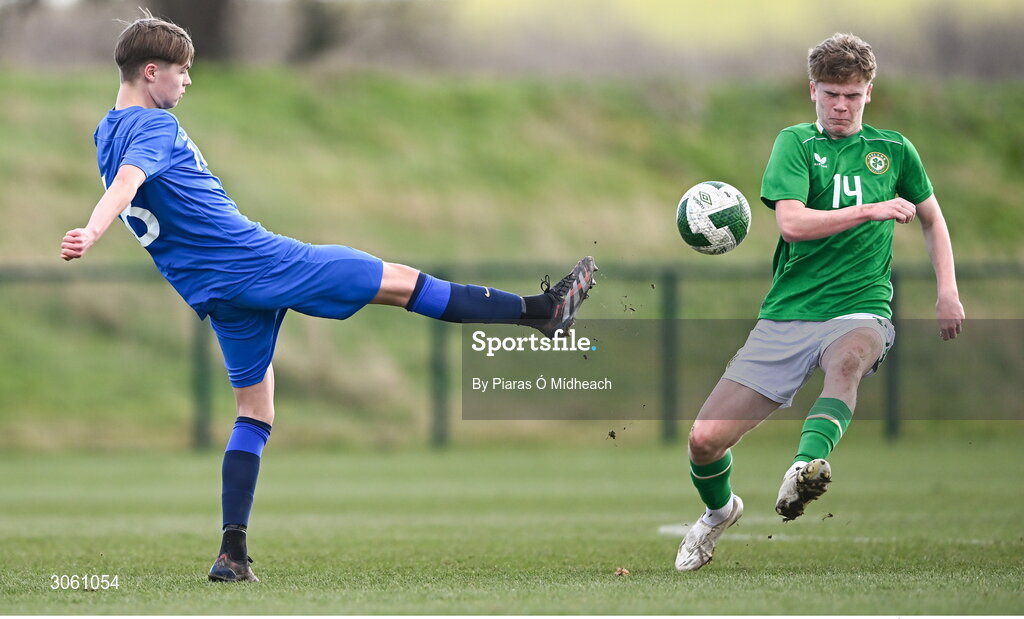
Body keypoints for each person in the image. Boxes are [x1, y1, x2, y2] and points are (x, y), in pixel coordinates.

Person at [60, 12, 597, 583]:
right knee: (401, 282)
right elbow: (129, 184)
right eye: (182, 71)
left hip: (216, 294)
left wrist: (99, 226)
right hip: (262, 263)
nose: (188, 81)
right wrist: (92, 231)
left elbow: (127, 181)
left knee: (255, 413)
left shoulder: (104, 133)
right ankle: (541, 313)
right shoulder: (153, 129)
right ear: (151, 72)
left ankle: (231, 554)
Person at [674, 32, 965, 572]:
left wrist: (947, 289)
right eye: (830, 93)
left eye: (851, 96)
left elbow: (931, 217)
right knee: (703, 441)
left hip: (861, 305)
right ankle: (719, 513)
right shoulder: (795, 144)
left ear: (868, 93)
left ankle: (807, 465)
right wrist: (869, 210)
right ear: (813, 89)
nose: (840, 105)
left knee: (849, 361)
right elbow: (792, 222)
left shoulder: (894, 150)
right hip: (789, 311)